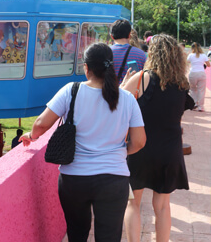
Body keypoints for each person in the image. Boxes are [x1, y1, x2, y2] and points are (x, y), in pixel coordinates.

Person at [20, 43, 146, 242]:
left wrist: (31, 136)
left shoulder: (72, 91)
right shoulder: (128, 99)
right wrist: (119, 152)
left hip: (74, 178)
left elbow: (41, 124)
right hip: (114, 179)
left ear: (86, 68)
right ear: (110, 66)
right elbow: (139, 142)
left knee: (77, 234)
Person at [122, 34, 190, 242]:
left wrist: (124, 83)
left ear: (152, 53)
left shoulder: (142, 78)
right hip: (170, 151)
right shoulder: (183, 84)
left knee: (133, 203)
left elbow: (115, 104)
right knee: (162, 206)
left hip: (140, 148)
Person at [110, 20, 147, 84]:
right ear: (129, 35)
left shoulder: (105, 53)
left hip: (110, 93)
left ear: (112, 36)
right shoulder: (141, 54)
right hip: (133, 93)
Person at [187, 42, 210, 112]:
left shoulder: (190, 55)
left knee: (193, 89)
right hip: (201, 73)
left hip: (193, 73)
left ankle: (194, 103)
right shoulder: (203, 55)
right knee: (201, 90)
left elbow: (187, 62)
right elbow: (208, 65)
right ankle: (201, 107)